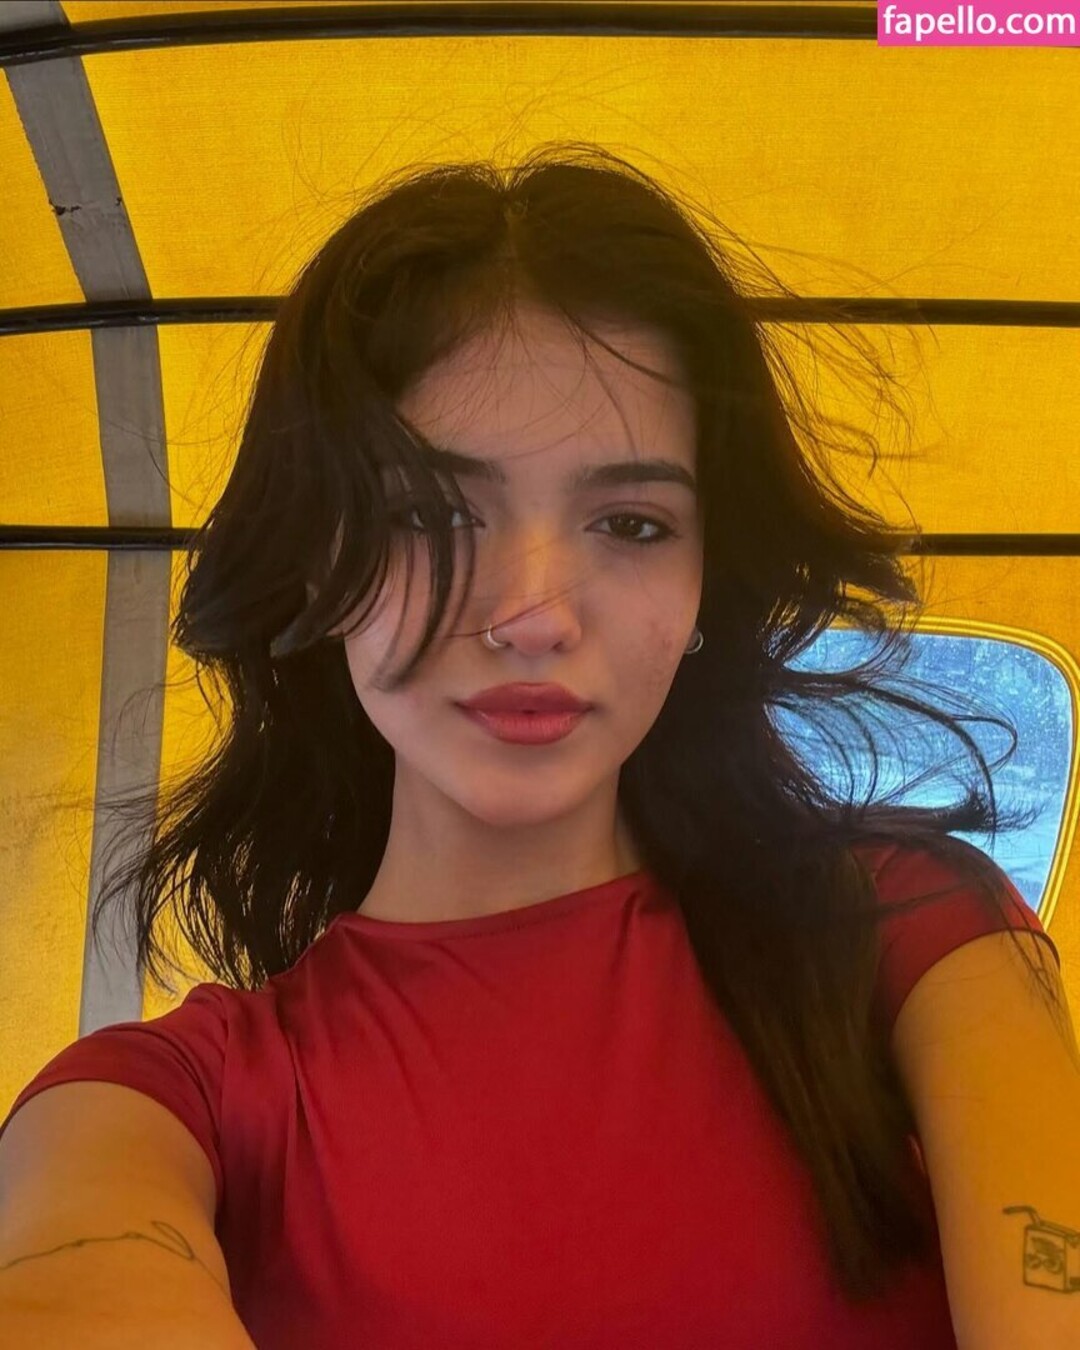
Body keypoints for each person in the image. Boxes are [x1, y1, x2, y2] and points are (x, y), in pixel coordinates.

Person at [0, 145, 1066, 1348]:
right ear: (319, 562)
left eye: (631, 523)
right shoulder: (154, 1102)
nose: (534, 615)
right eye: (428, 512)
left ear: (706, 585)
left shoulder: (910, 934)